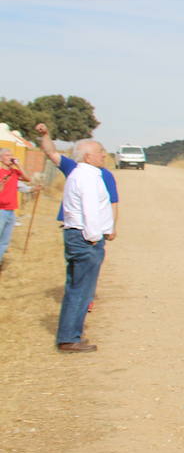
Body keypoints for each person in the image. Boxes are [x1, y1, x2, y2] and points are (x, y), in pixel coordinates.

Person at [54, 139, 115, 352]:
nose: (104, 155)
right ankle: (70, 337)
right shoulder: (87, 177)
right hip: (85, 238)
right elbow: (90, 210)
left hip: (76, 235)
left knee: (76, 288)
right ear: (88, 156)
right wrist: (94, 237)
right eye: (100, 152)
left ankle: (70, 334)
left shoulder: (80, 175)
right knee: (81, 290)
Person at [0, 147, 30, 272]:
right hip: (1, 210)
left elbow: (27, 178)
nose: (10, 157)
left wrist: (19, 164)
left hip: (11, 211)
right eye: (7, 155)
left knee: (4, 242)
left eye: (11, 154)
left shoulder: (14, 172)